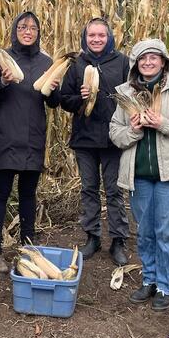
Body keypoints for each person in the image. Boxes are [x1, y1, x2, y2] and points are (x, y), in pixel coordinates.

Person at [109, 39, 169, 311]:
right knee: (146, 232)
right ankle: (149, 280)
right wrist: (134, 130)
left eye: (154, 58)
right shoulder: (125, 94)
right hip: (139, 175)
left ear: (164, 62)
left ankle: (165, 285)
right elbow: (115, 132)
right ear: (135, 64)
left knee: (168, 232)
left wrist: (164, 124)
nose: (148, 62)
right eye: (143, 58)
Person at [0, 12, 61, 273]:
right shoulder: (0, 58)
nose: (28, 31)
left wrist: (54, 89)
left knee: (28, 194)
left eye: (33, 27)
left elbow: (53, 103)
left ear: (38, 32)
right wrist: (2, 80)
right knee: (0, 194)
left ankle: (28, 248)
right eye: (23, 27)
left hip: (34, 136)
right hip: (6, 135)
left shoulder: (46, 62)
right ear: (15, 30)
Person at [60, 18, 131, 265]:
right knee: (89, 189)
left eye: (101, 35)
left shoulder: (122, 62)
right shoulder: (78, 64)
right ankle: (92, 236)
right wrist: (79, 99)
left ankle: (118, 240)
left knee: (114, 191)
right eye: (92, 35)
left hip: (113, 138)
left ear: (109, 37)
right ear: (85, 37)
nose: (97, 39)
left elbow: (133, 95)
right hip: (85, 138)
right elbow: (64, 99)